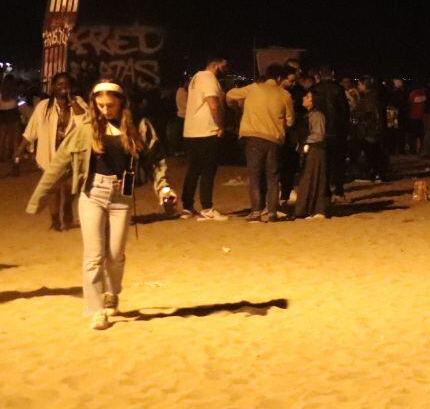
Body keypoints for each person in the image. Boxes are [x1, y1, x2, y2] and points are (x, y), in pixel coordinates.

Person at [25, 81, 176, 330]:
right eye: (101, 105)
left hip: (121, 196)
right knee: (94, 256)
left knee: (115, 255)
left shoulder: (138, 126)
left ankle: (112, 293)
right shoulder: (85, 128)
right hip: (92, 193)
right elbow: (59, 165)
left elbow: (156, 159)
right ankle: (95, 311)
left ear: (122, 103)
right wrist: (38, 199)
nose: (106, 110)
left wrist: (164, 188)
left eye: (111, 105)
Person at [15, 72, 88, 231]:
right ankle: (55, 220)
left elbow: (85, 122)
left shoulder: (79, 102)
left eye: (66, 84)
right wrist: (20, 150)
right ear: (53, 87)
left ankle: (67, 210)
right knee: (53, 191)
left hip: (71, 156)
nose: (63, 87)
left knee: (69, 190)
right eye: (59, 84)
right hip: (49, 155)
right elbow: (31, 130)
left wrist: (73, 103)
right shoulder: (43, 106)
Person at [226, 64, 296, 222]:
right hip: (274, 139)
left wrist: (237, 107)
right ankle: (272, 212)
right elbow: (290, 121)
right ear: (279, 78)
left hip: (253, 137)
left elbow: (230, 94)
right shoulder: (284, 94)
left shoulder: (254, 88)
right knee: (273, 177)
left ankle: (256, 212)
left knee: (255, 175)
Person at [181, 56, 228, 220]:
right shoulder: (209, 78)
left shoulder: (196, 77)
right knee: (208, 171)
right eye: (224, 66)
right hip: (206, 131)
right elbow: (213, 104)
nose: (226, 69)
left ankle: (187, 206)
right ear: (216, 64)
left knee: (193, 170)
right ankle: (207, 207)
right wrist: (221, 125)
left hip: (192, 131)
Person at [312, 66, 350, 199]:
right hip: (337, 131)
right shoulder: (338, 88)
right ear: (333, 74)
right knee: (338, 162)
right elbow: (344, 110)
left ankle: (326, 192)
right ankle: (338, 191)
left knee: (325, 163)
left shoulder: (315, 89)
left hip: (321, 131)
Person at [293, 90, 328, 219]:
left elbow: (318, 135)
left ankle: (313, 210)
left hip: (315, 149)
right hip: (311, 149)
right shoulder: (308, 115)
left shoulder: (317, 115)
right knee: (308, 179)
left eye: (307, 97)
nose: (304, 98)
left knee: (311, 179)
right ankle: (307, 209)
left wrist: (304, 141)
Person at [0, 74, 20, 176]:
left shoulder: (1, 92)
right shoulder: (15, 93)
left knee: (2, 139)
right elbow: (18, 104)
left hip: (3, 116)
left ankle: (1, 157)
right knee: (15, 141)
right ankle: (16, 161)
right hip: (13, 115)